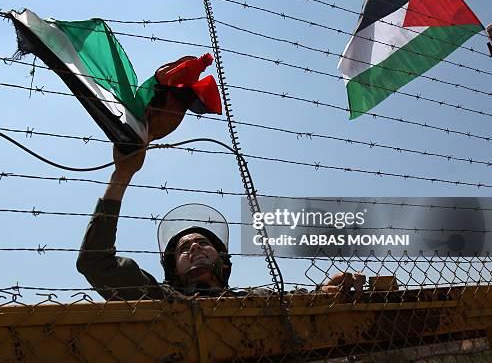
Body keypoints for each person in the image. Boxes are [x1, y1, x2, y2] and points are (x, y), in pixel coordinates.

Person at [76, 81, 365, 301]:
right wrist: (122, 174)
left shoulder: (253, 302)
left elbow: (298, 303)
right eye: (183, 249)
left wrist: (323, 292)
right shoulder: (160, 300)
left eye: (203, 243)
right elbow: (96, 263)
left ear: (222, 259)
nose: (194, 248)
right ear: (171, 267)